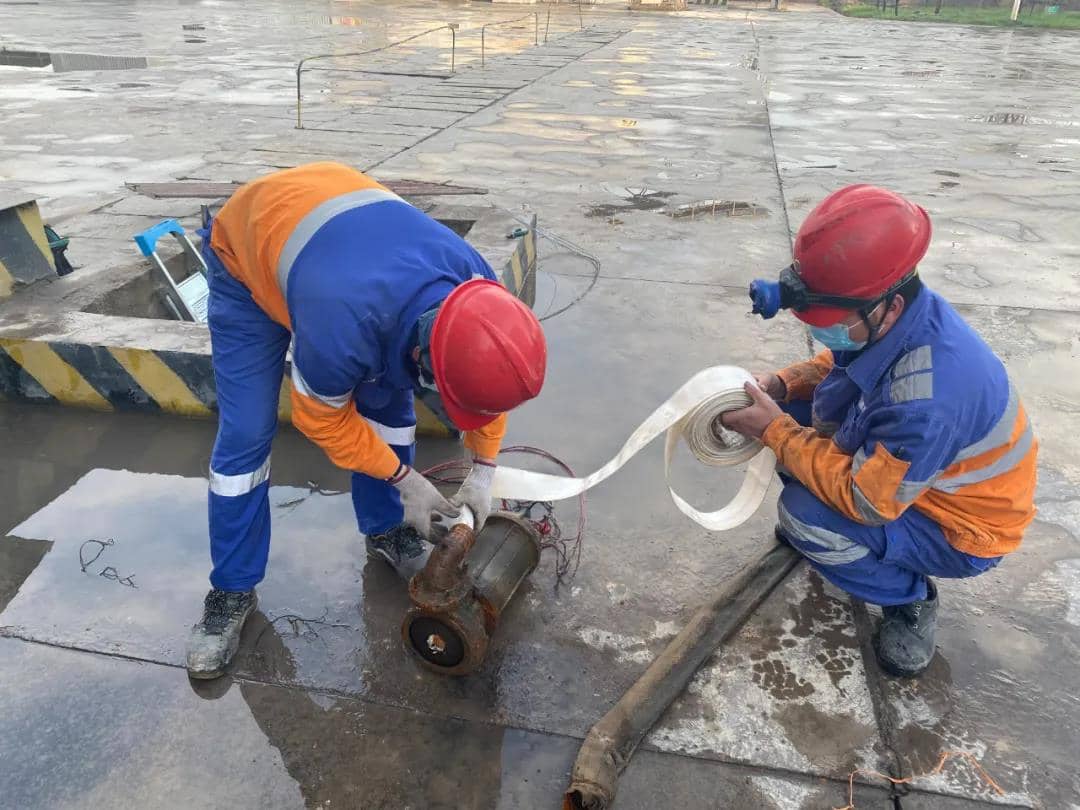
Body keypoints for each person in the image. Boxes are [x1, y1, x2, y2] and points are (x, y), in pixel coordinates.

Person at [185, 162, 546, 679]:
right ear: (426, 354)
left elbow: (487, 392)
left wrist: (484, 469)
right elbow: (323, 421)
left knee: (390, 409)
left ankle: (386, 529)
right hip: (249, 255)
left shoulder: (479, 292)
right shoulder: (342, 322)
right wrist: (407, 481)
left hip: (339, 241)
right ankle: (231, 592)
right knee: (246, 436)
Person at [721, 185, 1037, 678]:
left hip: (959, 527)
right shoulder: (902, 313)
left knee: (804, 513)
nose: (824, 331)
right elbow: (843, 358)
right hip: (918, 472)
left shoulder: (926, 401)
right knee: (790, 413)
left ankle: (909, 598)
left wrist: (776, 432)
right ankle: (846, 540)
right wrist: (784, 384)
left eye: (833, 321)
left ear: (887, 306)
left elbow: (867, 501)